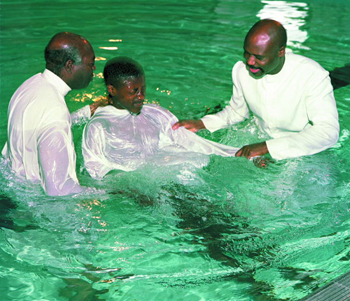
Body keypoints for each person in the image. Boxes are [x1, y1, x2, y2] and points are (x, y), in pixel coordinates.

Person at [172, 19, 339, 161]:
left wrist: (267, 148)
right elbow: (237, 113)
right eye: (247, 53)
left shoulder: (312, 75)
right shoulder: (241, 71)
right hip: (261, 142)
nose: (250, 62)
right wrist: (202, 123)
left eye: (259, 57)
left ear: (281, 52)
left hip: (304, 152)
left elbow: (327, 132)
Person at [82, 57, 239, 179]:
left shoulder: (156, 113)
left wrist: (244, 155)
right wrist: (131, 190)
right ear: (112, 90)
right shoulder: (99, 125)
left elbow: (194, 142)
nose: (141, 96)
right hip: (146, 187)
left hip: (178, 175)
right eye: (134, 91)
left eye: (143, 89)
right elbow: (95, 167)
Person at [2, 32, 98, 196]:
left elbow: (41, 129)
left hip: (13, 187)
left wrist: (86, 112)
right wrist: (108, 195)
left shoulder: (30, 86)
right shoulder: (55, 112)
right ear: (69, 66)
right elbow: (58, 191)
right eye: (90, 63)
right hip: (33, 208)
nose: (94, 68)